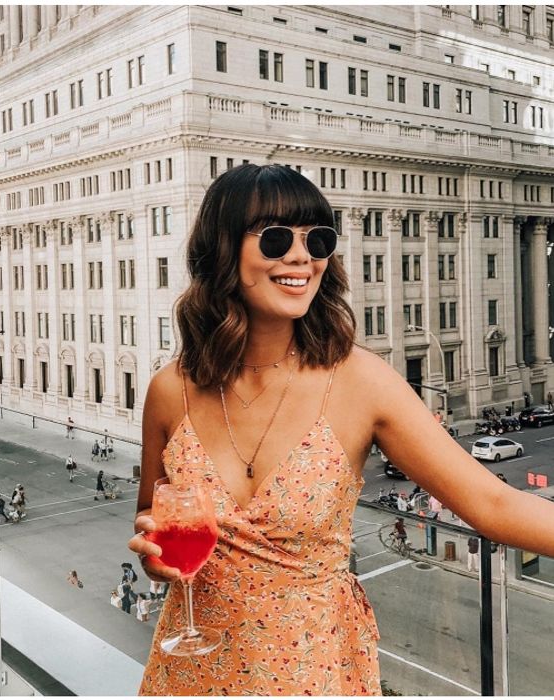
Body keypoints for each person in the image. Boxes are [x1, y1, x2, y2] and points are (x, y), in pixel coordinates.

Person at [127, 164, 554, 695]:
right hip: (193, 674)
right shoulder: (171, 390)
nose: (302, 256)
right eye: (277, 238)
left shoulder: (360, 381)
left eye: (318, 239)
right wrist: (157, 563)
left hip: (318, 669)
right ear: (222, 250)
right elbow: (154, 524)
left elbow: (495, 505)